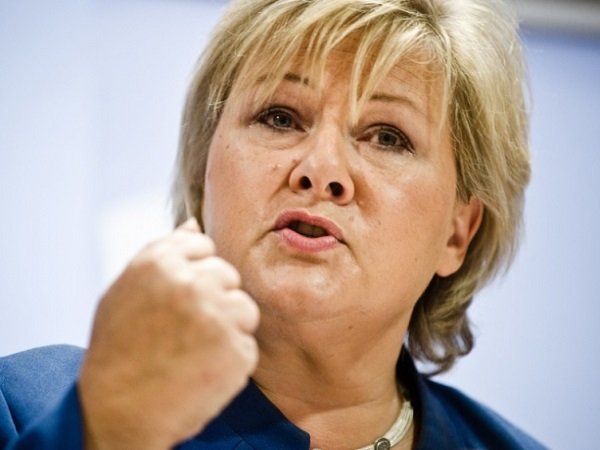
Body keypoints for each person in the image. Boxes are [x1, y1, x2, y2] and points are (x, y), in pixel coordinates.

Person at [0, 0, 546, 449]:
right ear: (203, 173)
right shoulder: (24, 409)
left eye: (387, 137)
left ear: (457, 233)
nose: (321, 170)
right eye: (280, 117)